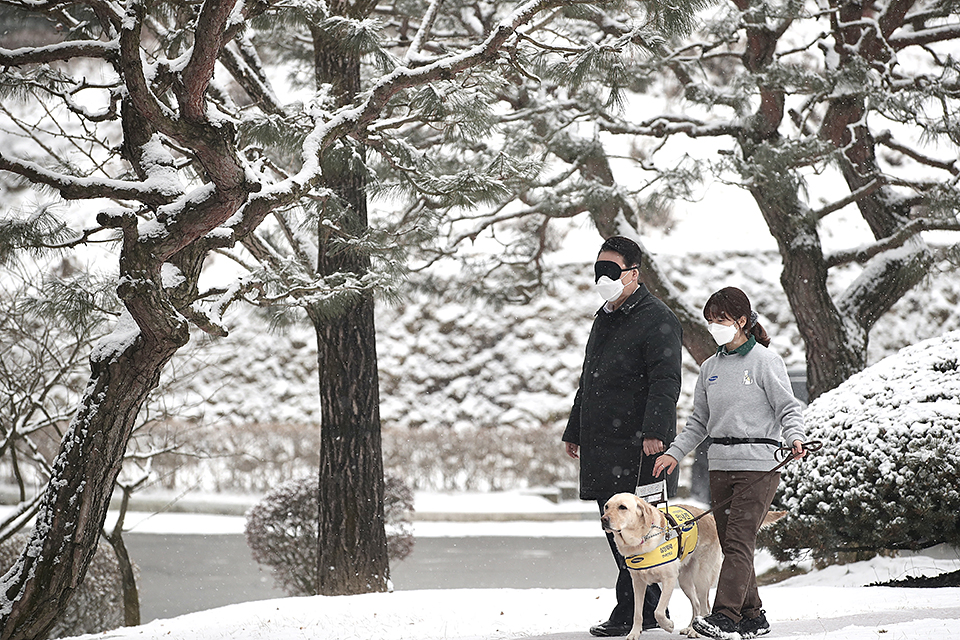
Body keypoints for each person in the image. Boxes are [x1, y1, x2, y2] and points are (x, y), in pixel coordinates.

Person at [652, 286, 806, 640]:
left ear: (741, 321)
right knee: (731, 539)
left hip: (759, 466)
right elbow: (698, 422)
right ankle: (753, 616)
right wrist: (674, 453)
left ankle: (724, 616)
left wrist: (794, 437)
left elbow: (788, 408)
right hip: (720, 465)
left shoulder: (767, 362)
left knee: (737, 542)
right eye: (710, 321)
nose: (714, 327)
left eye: (720, 320)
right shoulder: (709, 369)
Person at [562, 236, 683, 637]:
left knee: (643, 530)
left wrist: (655, 434)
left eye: (611, 270)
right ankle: (639, 608)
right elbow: (589, 379)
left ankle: (637, 609)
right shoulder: (604, 316)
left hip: (639, 446)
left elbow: (665, 382)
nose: (603, 277)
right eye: (598, 269)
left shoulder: (658, 318)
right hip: (601, 444)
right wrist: (575, 428)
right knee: (616, 529)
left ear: (633, 273)